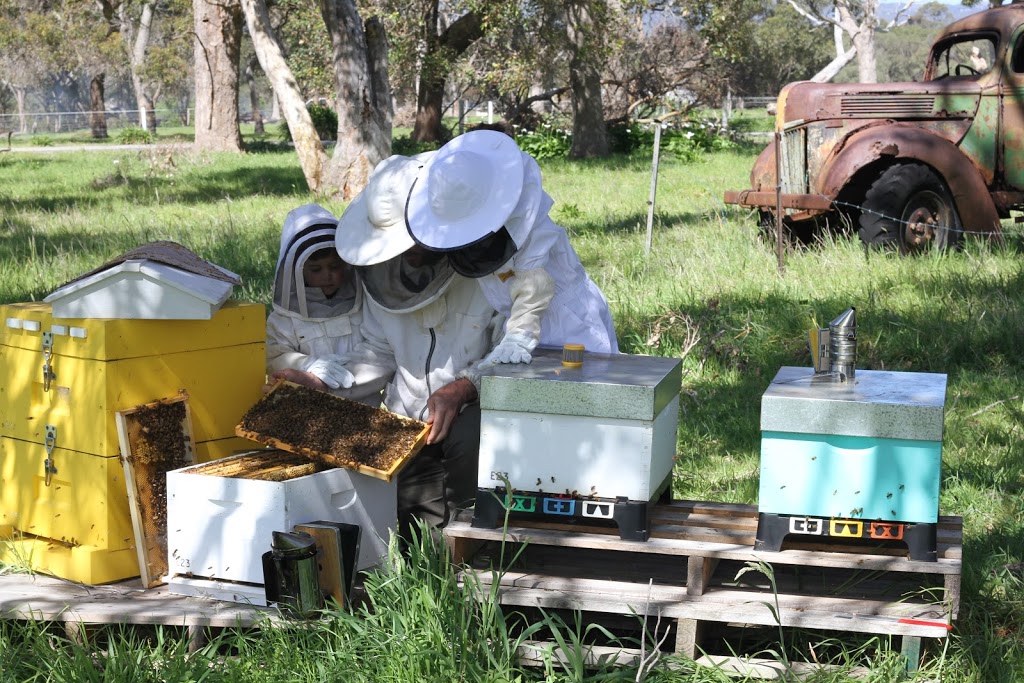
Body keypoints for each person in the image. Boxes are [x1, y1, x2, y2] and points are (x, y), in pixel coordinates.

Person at [330, 154, 505, 538]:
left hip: (482, 417)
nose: (406, 256)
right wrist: (322, 384)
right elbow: (376, 352)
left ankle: (479, 549)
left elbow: (514, 354)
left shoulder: (489, 275)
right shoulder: (383, 281)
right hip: (409, 422)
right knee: (414, 537)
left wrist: (464, 386)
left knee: (469, 489)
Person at [403, 129, 617, 367]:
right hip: (518, 321)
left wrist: (519, 337)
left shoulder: (529, 220)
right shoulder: (464, 213)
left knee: (583, 390)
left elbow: (536, 285)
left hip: (570, 322)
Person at [265, 203, 384, 406]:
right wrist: (307, 364)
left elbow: (380, 349)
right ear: (298, 270)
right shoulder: (284, 318)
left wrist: (346, 370)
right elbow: (274, 355)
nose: (327, 276)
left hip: (363, 405)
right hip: (307, 407)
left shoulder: (364, 305)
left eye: (335, 266)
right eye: (316, 269)